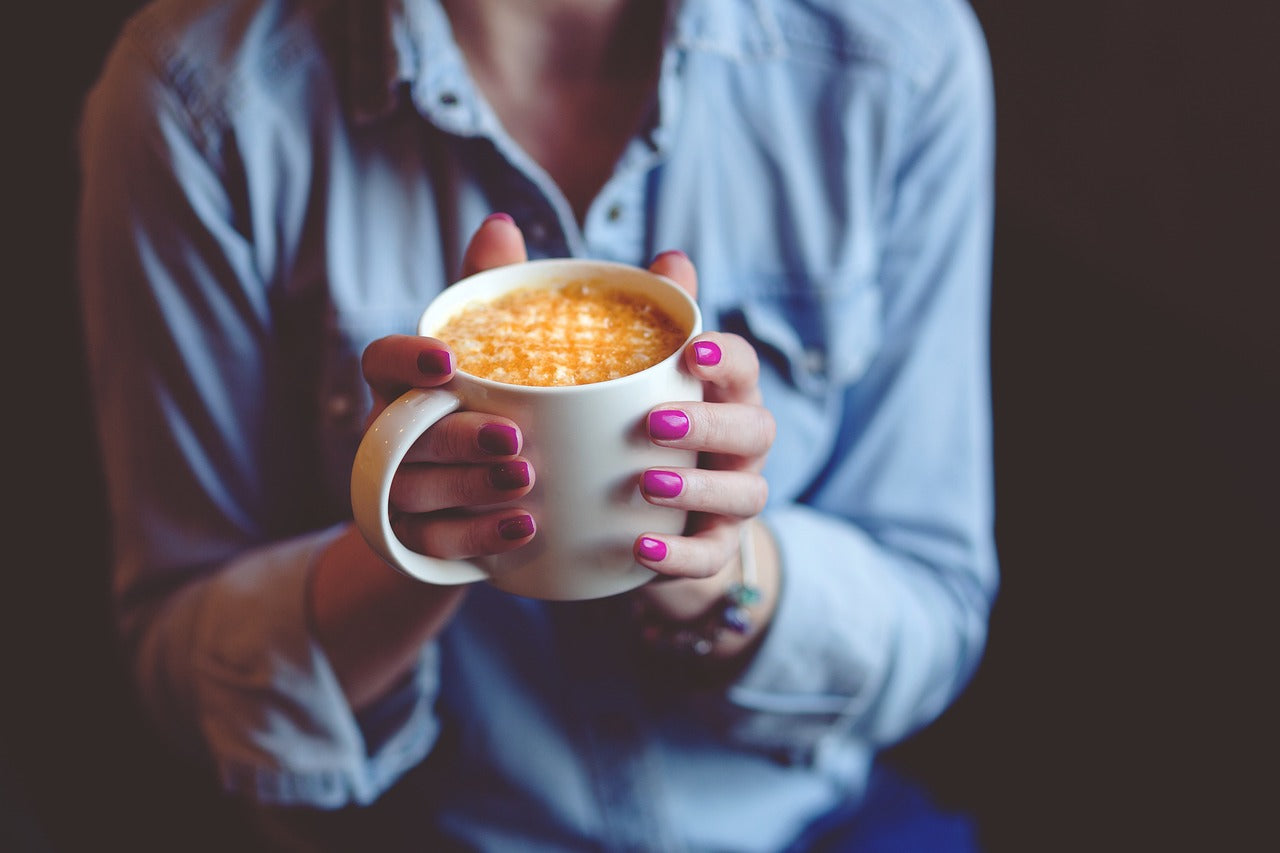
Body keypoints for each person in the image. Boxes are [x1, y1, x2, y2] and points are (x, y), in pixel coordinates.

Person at [77, 0, 997, 850]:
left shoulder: (895, 56)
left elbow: (936, 601)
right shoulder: (198, 99)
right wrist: (411, 555)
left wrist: (725, 572)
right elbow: (178, 670)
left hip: (806, 827)